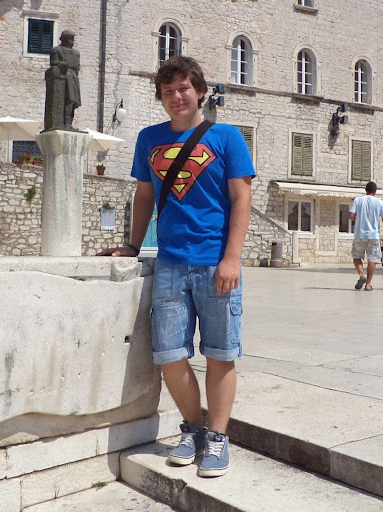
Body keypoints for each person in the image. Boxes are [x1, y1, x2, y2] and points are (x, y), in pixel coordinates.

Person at [97, 56, 255, 477]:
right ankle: (194, 430)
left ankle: (218, 437)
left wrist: (232, 258)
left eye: (183, 88)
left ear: (199, 91)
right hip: (169, 262)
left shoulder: (226, 137)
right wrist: (133, 245)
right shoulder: (149, 138)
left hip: (215, 263)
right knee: (170, 356)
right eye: (167, 91)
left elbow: (241, 198)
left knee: (220, 354)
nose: (176, 97)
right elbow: (145, 196)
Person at [349, 181, 383, 291]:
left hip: (359, 234)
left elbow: (351, 215)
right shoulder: (379, 202)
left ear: (365, 190)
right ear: (375, 191)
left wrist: (357, 219)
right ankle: (368, 284)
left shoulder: (357, 200)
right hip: (373, 235)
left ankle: (361, 275)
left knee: (356, 256)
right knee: (372, 259)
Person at [44, 30, 82, 131]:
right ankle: (61, 123)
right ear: (64, 39)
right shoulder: (56, 50)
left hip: (73, 77)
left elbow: (77, 66)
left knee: (72, 102)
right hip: (63, 76)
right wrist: (62, 64)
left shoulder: (76, 53)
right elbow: (53, 62)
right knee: (66, 99)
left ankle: (68, 124)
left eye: (72, 39)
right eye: (70, 38)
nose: (72, 41)